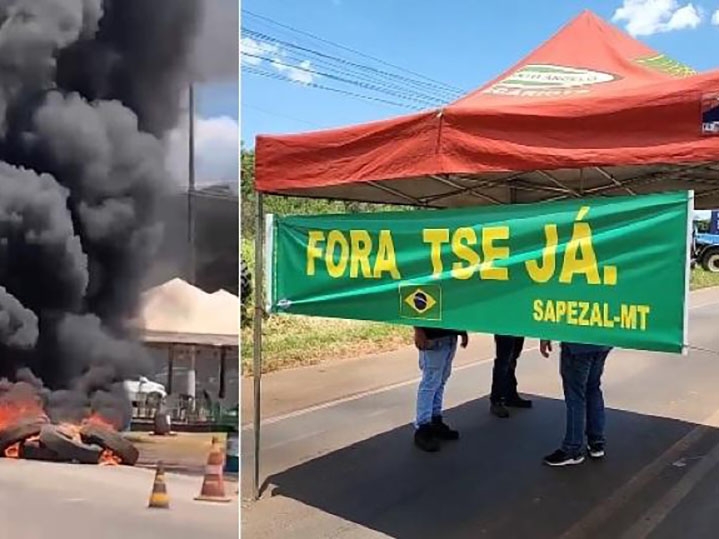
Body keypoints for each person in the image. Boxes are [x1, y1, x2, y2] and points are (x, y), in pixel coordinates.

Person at [540, 339, 612, 466]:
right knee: (593, 388)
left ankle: (572, 447)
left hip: (577, 345)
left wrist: (546, 335)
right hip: (602, 342)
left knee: (575, 395)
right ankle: (596, 440)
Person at [413, 326, 469, 452]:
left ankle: (435, 419)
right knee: (430, 383)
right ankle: (423, 426)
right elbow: (413, 308)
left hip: (449, 335)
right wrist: (419, 330)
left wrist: (462, 331)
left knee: (441, 381)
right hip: (432, 337)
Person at [490, 335, 532, 418]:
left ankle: (510, 394)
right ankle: (497, 400)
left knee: (513, 356)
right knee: (504, 360)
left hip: (518, 326)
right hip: (504, 326)